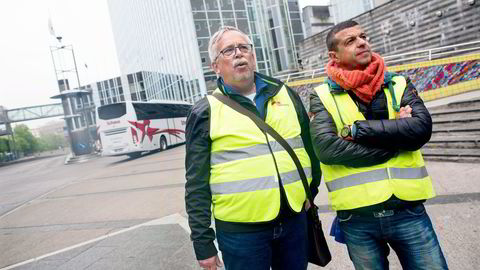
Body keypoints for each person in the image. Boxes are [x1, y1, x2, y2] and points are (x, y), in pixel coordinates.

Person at [309, 20, 448, 270]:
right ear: (334, 55)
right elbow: (327, 149)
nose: (362, 42)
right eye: (350, 41)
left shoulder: (398, 83)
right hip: (357, 217)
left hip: (408, 209)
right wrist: (397, 142)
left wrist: (356, 131)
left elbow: (420, 129)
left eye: (363, 36)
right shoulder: (321, 96)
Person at [185, 26, 321, 270]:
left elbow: (310, 151)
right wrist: (202, 242)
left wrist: (309, 194)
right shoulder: (205, 111)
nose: (239, 54)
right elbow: (196, 183)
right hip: (241, 234)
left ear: (253, 56)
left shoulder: (286, 94)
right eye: (228, 50)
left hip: (293, 220)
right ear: (215, 66)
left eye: (243, 47)